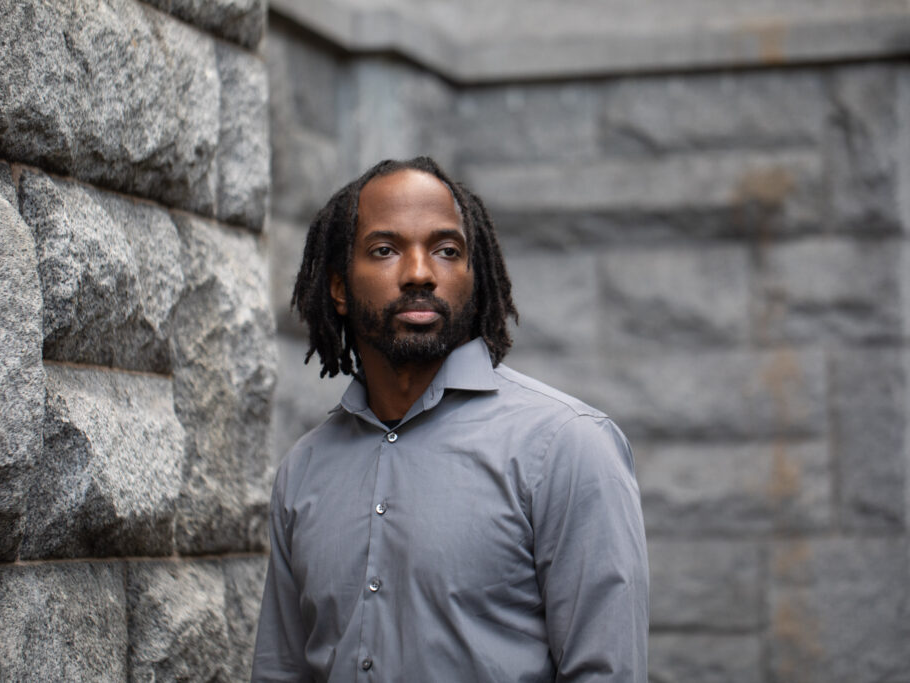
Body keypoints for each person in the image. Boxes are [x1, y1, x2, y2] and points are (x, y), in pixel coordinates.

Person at [252, 157, 649, 682]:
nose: (420, 273)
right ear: (339, 288)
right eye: (385, 250)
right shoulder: (303, 471)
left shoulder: (566, 447)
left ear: (472, 278)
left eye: (446, 251)